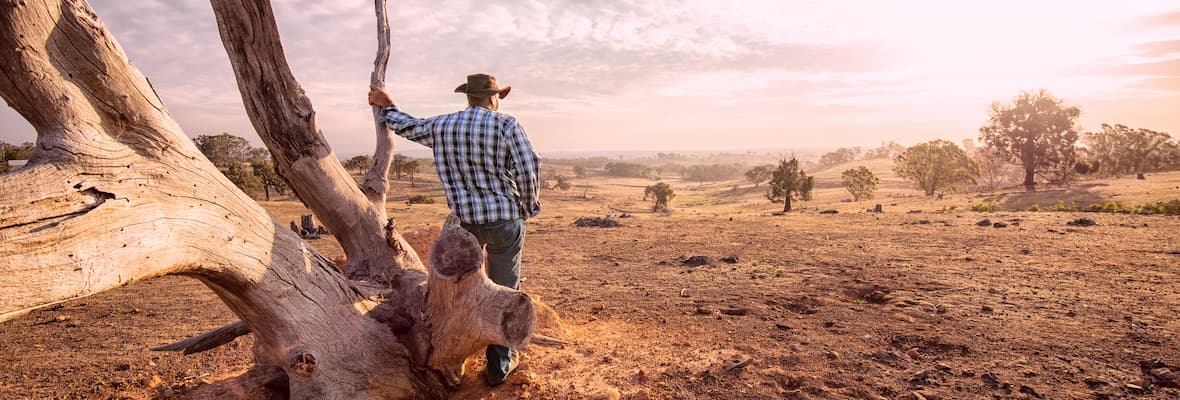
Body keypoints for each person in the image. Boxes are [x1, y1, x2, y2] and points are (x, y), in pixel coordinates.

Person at [368, 73, 541, 386]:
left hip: (466, 226)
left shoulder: (443, 125)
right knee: (504, 286)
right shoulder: (506, 125)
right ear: (492, 98)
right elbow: (529, 167)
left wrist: (387, 106)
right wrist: (528, 207)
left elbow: (407, 126)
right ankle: (499, 366)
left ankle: (453, 353)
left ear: (469, 97)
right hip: (504, 220)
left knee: (464, 291)